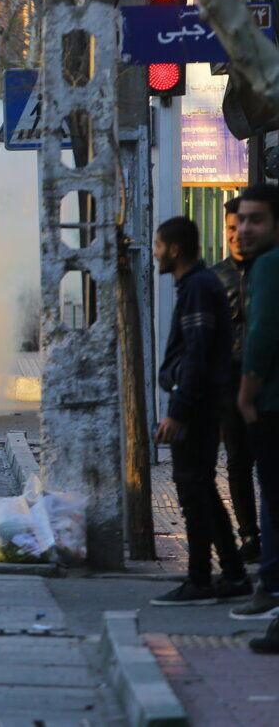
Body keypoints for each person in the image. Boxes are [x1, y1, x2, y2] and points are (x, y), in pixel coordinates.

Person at [150, 216, 251, 606]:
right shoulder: (201, 284)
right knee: (203, 490)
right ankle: (234, 573)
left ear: (174, 249)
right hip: (203, 403)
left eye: (158, 246)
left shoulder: (196, 287)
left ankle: (199, 580)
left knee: (193, 492)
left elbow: (196, 354)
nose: (156, 253)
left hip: (197, 407)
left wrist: (177, 411)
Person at [234, 185, 279, 651]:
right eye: (242, 219)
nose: (245, 229)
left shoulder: (267, 266)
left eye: (257, 220)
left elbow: (262, 336)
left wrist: (247, 395)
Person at [211, 197, 261, 561]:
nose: (237, 235)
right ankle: (249, 536)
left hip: (268, 384)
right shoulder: (216, 278)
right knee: (238, 464)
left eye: (243, 226)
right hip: (229, 387)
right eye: (231, 228)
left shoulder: (270, 271)